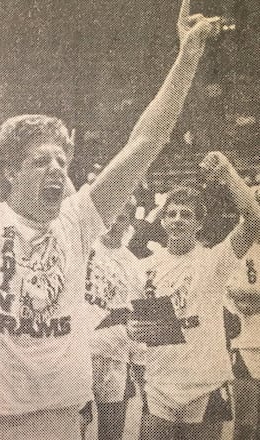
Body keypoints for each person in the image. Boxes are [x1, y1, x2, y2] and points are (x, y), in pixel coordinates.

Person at [0, 0, 220, 437]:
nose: (56, 169)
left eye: (61, 161)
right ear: (11, 172)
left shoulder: (77, 221)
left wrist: (187, 57)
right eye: (40, 161)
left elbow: (146, 141)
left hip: (65, 418)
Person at [128, 153, 260, 440]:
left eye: (186, 215)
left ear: (199, 223)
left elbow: (253, 221)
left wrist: (228, 174)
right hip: (160, 386)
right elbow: (151, 337)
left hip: (205, 386)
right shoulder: (145, 269)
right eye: (172, 214)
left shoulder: (214, 261)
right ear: (163, 221)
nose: (178, 220)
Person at [83, 202, 145, 440]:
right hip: (79, 352)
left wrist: (138, 363)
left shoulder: (134, 265)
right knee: (74, 427)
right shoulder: (84, 248)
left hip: (115, 355)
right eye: (110, 216)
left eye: (121, 218)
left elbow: (137, 316)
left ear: (128, 223)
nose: (113, 224)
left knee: (111, 433)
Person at [227, 191, 260, 440]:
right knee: (246, 425)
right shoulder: (237, 250)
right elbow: (242, 302)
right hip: (246, 345)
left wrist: (252, 295)